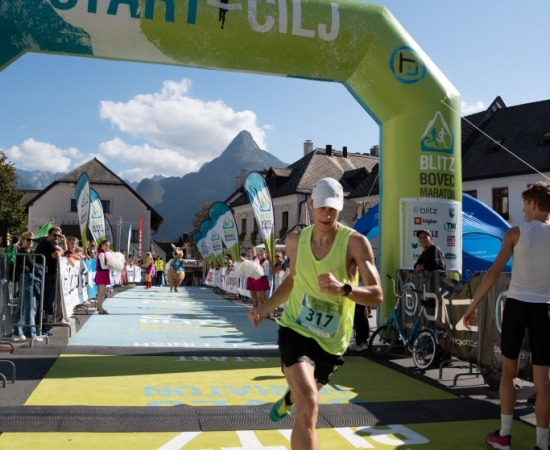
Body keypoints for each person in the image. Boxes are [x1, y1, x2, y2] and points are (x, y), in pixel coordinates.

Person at [247, 177, 383, 450]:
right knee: (309, 402)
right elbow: (292, 280)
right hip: (296, 329)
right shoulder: (296, 240)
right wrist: (265, 308)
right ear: (311, 205)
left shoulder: (355, 243)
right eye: (321, 207)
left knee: (303, 400)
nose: (326, 214)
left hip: (332, 341)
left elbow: (377, 293)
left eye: (332, 208)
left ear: (340, 207)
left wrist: (344, 289)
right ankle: (295, 398)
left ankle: (288, 399)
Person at [462, 181, 550, 450]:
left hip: (517, 306)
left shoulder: (516, 233)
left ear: (533, 203)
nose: (522, 210)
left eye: (523, 204)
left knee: (508, 374)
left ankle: (504, 435)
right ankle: (542, 445)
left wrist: (472, 306)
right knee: (544, 382)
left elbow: (493, 274)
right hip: (545, 309)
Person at [12, 231, 43, 342]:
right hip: (26, 279)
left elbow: (35, 266)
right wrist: (34, 267)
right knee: (29, 307)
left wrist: (34, 267)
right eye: (28, 239)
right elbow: (33, 266)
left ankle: (18, 332)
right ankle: (30, 334)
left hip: (27, 278)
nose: (31, 242)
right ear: (23, 240)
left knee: (22, 307)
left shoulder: (29, 252)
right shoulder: (23, 252)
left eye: (33, 240)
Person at [35, 226, 65, 336]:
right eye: (54, 235)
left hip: (50, 275)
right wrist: (60, 251)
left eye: (59, 235)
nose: (56, 237)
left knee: (48, 303)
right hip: (45, 276)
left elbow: (63, 252)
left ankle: (42, 326)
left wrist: (61, 247)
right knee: (45, 303)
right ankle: (39, 327)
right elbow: (55, 255)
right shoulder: (46, 243)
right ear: (49, 235)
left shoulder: (53, 244)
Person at [95, 240, 111, 314]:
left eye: (108, 245)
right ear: (102, 245)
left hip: (103, 273)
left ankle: (99, 307)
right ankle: (100, 309)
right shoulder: (101, 254)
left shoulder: (103, 253)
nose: (107, 247)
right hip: (102, 273)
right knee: (101, 292)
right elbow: (103, 266)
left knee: (100, 292)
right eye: (106, 245)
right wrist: (110, 266)